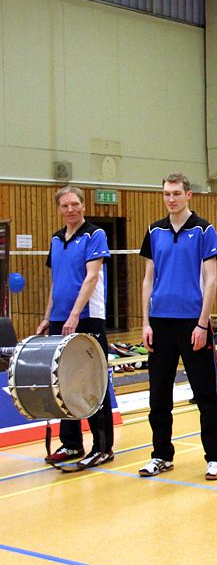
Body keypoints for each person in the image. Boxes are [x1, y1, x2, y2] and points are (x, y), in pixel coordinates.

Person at [138, 173, 217, 480]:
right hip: (160, 323)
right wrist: (145, 322)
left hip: (193, 323)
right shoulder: (154, 230)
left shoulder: (204, 230)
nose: (171, 199)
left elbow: (210, 278)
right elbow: (148, 278)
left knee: (206, 394)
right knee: (158, 395)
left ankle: (214, 457)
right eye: (166, 194)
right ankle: (161, 455)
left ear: (189, 195)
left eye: (176, 193)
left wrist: (203, 323)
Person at [38, 185, 115, 469]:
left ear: (83, 205)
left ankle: (103, 446)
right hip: (61, 318)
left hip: (87, 318)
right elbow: (57, 283)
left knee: (93, 381)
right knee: (64, 382)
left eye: (75, 204)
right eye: (65, 206)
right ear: (59, 209)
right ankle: (71, 444)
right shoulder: (56, 240)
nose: (70, 209)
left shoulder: (95, 235)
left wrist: (74, 315)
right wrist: (49, 317)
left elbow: (91, 277)